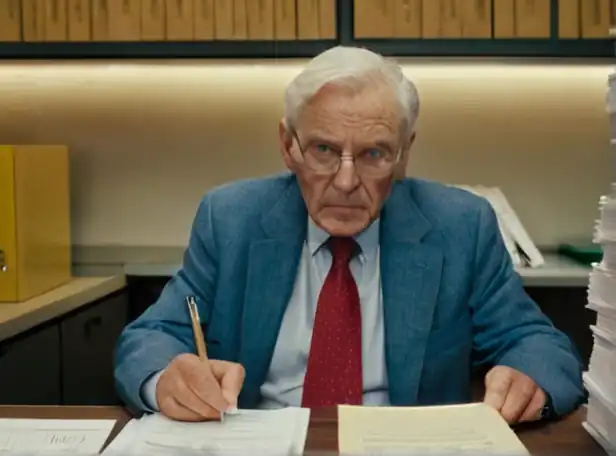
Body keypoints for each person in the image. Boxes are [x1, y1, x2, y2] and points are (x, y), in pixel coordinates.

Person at [114, 46, 584, 424]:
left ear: (403, 154)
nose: (344, 181)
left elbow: (538, 344)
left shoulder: (461, 225)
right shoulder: (231, 218)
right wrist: (168, 377)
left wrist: (528, 377)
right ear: (287, 145)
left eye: (374, 154)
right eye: (323, 149)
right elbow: (152, 336)